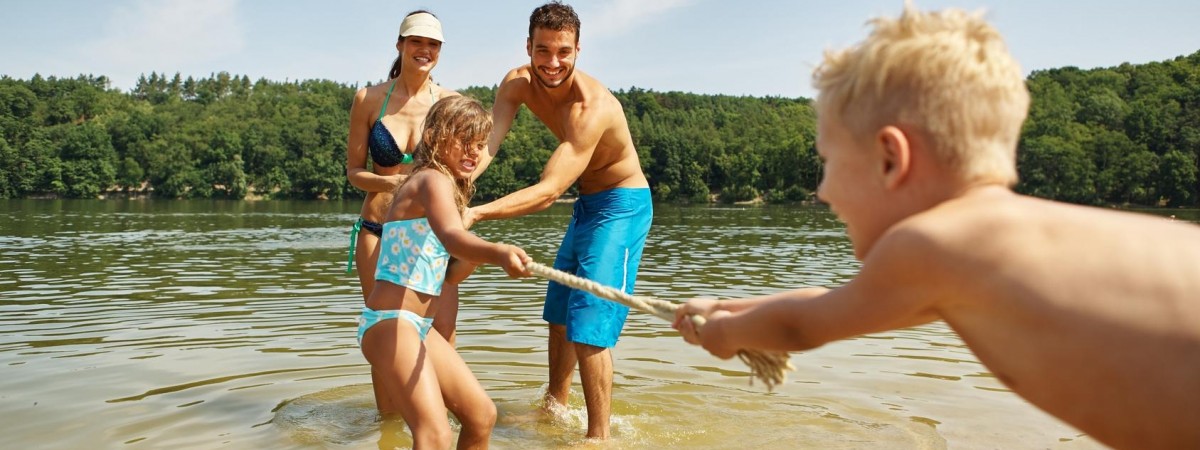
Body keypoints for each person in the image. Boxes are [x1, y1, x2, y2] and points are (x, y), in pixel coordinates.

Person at [672, 4, 1200, 450]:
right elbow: (832, 300)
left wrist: (727, 332)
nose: (824, 191)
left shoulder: (932, 243)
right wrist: (725, 306)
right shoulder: (974, 254)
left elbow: (803, 326)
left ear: (889, 159)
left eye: (827, 163)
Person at [464, 1, 652, 439]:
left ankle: (598, 437)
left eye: (563, 52)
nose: (552, 62)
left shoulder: (592, 107)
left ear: (578, 50)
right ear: (528, 47)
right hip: (588, 205)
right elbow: (488, 143)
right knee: (560, 314)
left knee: (589, 320)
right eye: (543, 50)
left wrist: (474, 212)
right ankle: (554, 410)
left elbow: (549, 192)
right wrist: (456, 187)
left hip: (622, 205)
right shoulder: (516, 84)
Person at [359, 95, 532, 449]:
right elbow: (453, 239)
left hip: (417, 327)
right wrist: (498, 252)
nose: (474, 151)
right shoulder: (431, 180)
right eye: (464, 141)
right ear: (437, 135)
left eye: (480, 144)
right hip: (392, 321)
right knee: (434, 434)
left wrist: (480, 256)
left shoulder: (444, 188)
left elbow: (450, 275)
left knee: (481, 416)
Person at [345, 10, 464, 375]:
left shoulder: (450, 102)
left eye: (433, 44)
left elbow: (461, 172)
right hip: (377, 230)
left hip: (432, 233)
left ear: (440, 50)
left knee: (441, 331)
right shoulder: (368, 99)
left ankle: (441, 418)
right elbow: (354, 173)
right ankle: (388, 427)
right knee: (385, 334)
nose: (424, 50)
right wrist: (394, 183)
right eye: (416, 42)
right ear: (400, 44)